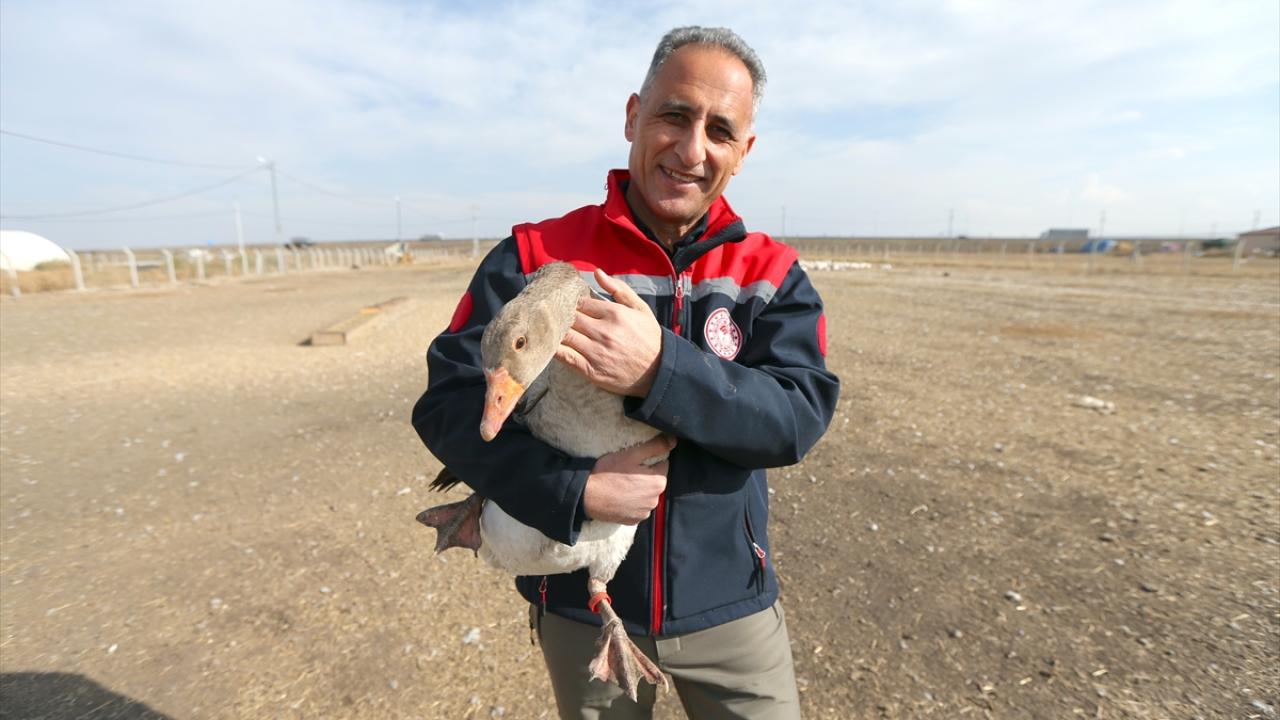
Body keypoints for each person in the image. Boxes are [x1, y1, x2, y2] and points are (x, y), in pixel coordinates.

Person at [413, 26, 840, 719]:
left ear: (744, 151)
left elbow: (795, 420)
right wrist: (573, 490)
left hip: (731, 610)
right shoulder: (532, 256)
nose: (692, 149)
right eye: (674, 114)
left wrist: (659, 372)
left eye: (720, 130)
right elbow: (450, 406)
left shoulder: (772, 274)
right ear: (633, 116)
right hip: (580, 609)